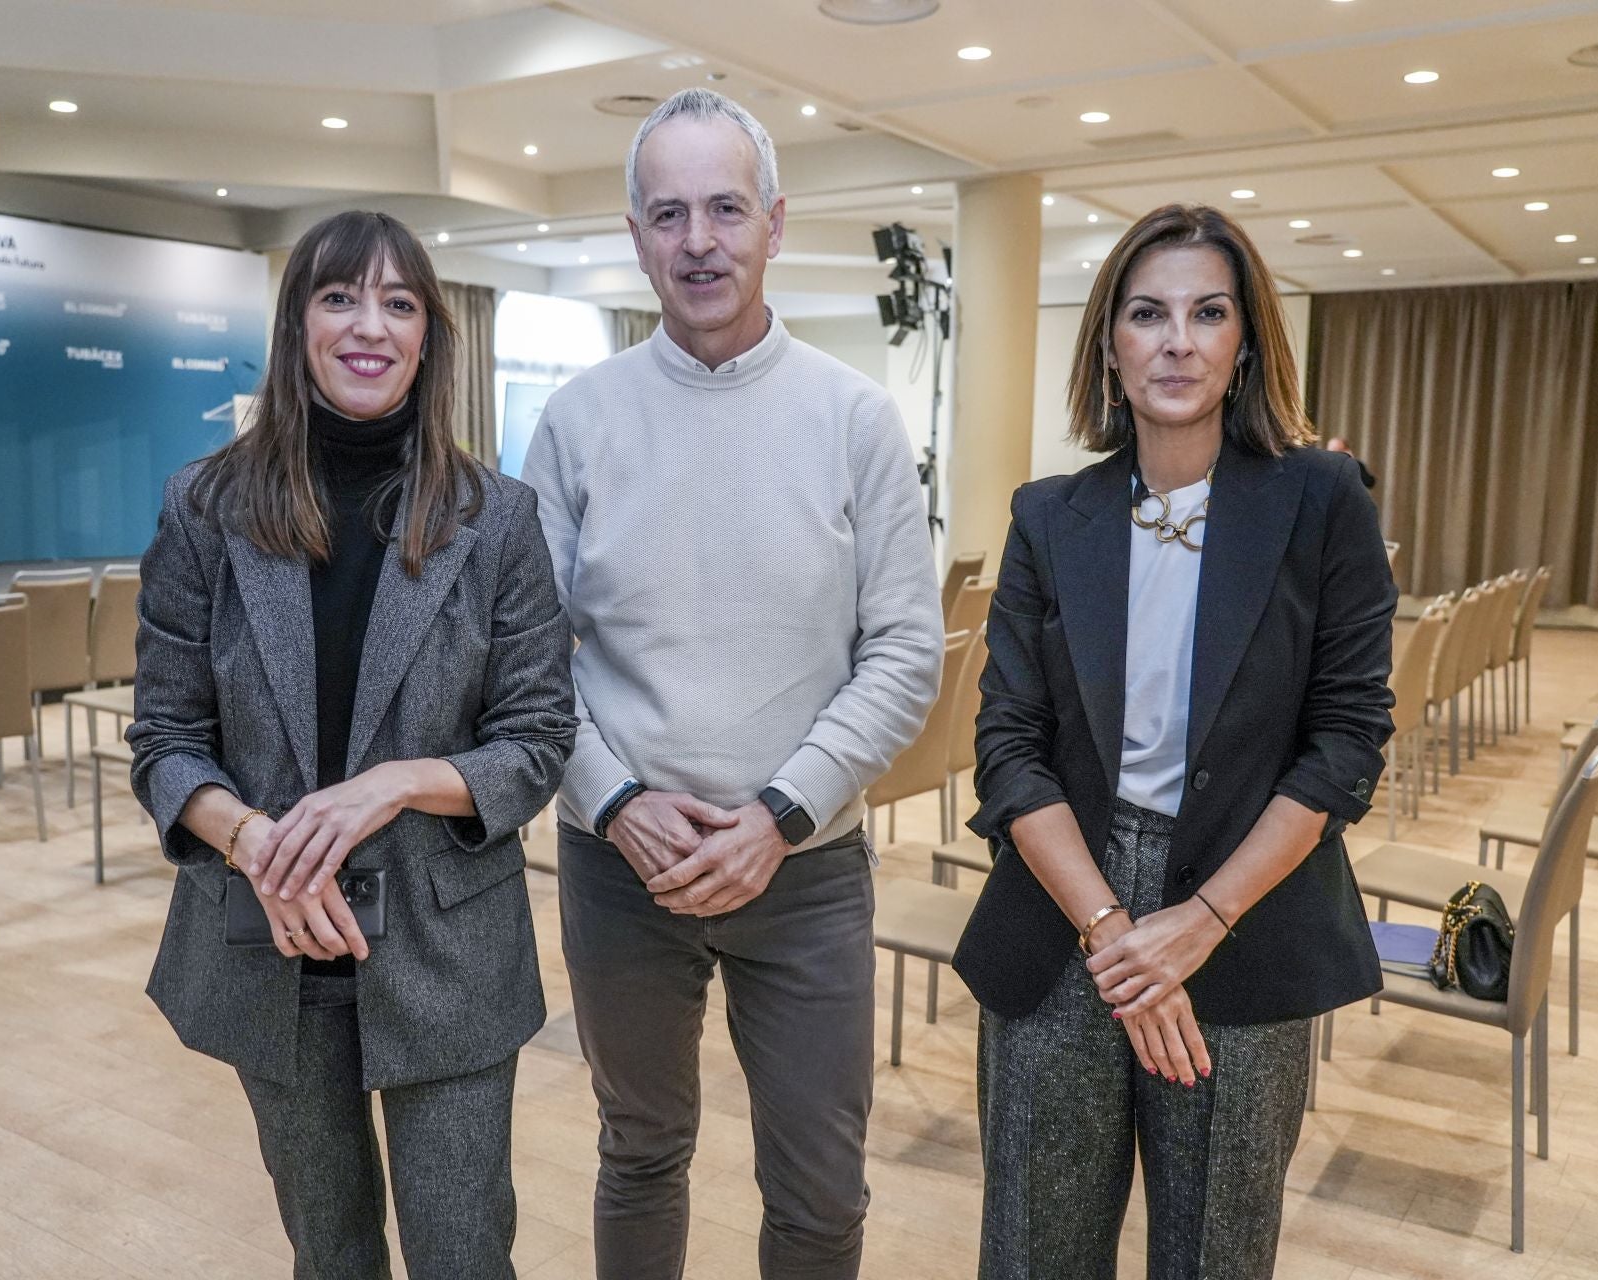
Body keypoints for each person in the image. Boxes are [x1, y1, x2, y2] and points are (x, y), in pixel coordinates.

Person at [521, 88, 943, 1280]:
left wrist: (779, 814)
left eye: (725, 208)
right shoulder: (579, 420)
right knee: (640, 1151)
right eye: (669, 213)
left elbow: (904, 651)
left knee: (817, 1189)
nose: (698, 238)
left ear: (775, 224)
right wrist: (614, 801)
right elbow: (528, 662)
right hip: (621, 865)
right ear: (637, 234)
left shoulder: (857, 419)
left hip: (803, 872)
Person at [127, 209, 576, 1279]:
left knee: (463, 1250)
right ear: (297, 327)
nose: (368, 325)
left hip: (445, 942)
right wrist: (251, 840)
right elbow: (164, 737)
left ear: (429, 336)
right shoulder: (207, 505)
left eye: (399, 302)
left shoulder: (497, 515)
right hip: (269, 934)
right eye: (339, 297)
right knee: (329, 1250)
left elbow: (538, 737)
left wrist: (395, 783)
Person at [950, 203, 1396, 1278]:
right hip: (1067, 905)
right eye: (1148, 314)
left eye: (1207, 312)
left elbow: (1345, 742)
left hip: (1245, 914)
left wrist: (1196, 922)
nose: (1178, 340)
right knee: (1034, 1250)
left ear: (1246, 341)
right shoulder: (1051, 515)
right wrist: (1117, 932)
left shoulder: (1321, 498)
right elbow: (1010, 745)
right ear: (1110, 341)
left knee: (1214, 1253)